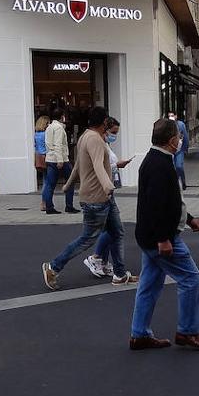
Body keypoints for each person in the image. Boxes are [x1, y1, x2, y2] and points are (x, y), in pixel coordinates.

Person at [129, 117, 199, 351]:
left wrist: (189, 218)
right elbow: (156, 205)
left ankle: (139, 334)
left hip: (150, 235)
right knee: (190, 279)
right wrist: (163, 239)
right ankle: (187, 332)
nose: (181, 139)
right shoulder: (160, 165)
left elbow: (171, 201)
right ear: (171, 140)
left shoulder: (156, 159)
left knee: (149, 284)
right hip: (161, 237)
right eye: (179, 135)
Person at [42, 106, 123, 290]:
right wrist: (107, 185)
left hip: (103, 197)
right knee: (87, 238)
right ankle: (53, 266)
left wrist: (68, 184)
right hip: (97, 197)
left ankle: (119, 273)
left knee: (117, 232)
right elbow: (97, 165)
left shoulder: (85, 136)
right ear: (104, 122)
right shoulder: (94, 139)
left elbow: (78, 165)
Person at [85, 117, 137, 284]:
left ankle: (103, 262)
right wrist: (117, 166)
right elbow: (98, 166)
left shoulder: (103, 143)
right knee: (112, 231)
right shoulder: (98, 143)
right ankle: (97, 259)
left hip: (106, 190)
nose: (115, 136)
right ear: (104, 129)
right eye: (113, 132)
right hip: (103, 191)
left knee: (112, 229)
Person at [41, 109, 76, 214]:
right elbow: (58, 144)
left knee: (50, 184)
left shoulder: (49, 127)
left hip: (50, 158)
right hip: (61, 159)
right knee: (70, 181)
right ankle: (69, 206)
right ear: (62, 116)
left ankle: (49, 207)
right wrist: (60, 160)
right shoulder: (59, 128)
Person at [167, 112, 191, 190]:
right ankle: (174, 183)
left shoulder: (180, 125)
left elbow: (186, 137)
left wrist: (185, 148)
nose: (171, 117)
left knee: (179, 166)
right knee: (171, 167)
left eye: (172, 115)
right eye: (169, 116)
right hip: (170, 150)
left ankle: (183, 182)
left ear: (176, 116)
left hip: (179, 150)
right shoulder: (167, 125)